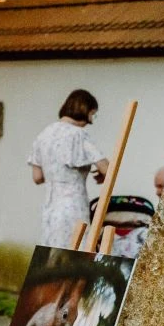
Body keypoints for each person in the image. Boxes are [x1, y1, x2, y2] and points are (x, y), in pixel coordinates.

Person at [28, 89, 110, 248]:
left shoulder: (43, 135)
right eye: (93, 114)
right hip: (73, 205)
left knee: (52, 252)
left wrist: (56, 171)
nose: (91, 120)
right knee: (75, 250)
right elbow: (106, 168)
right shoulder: (78, 135)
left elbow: (37, 177)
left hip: (50, 206)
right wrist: (101, 174)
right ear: (87, 111)